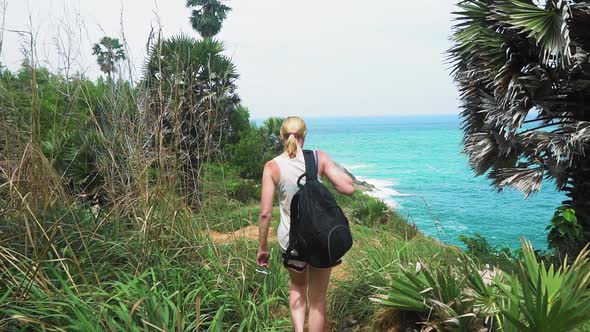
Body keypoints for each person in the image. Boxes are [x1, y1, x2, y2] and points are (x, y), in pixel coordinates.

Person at [256, 116, 354, 332]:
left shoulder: (272, 166)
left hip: (291, 241)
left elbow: (265, 213)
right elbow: (348, 188)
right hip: (320, 237)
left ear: (282, 136)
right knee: (318, 298)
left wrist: (262, 248)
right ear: (305, 135)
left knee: (298, 287)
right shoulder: (318, 158)